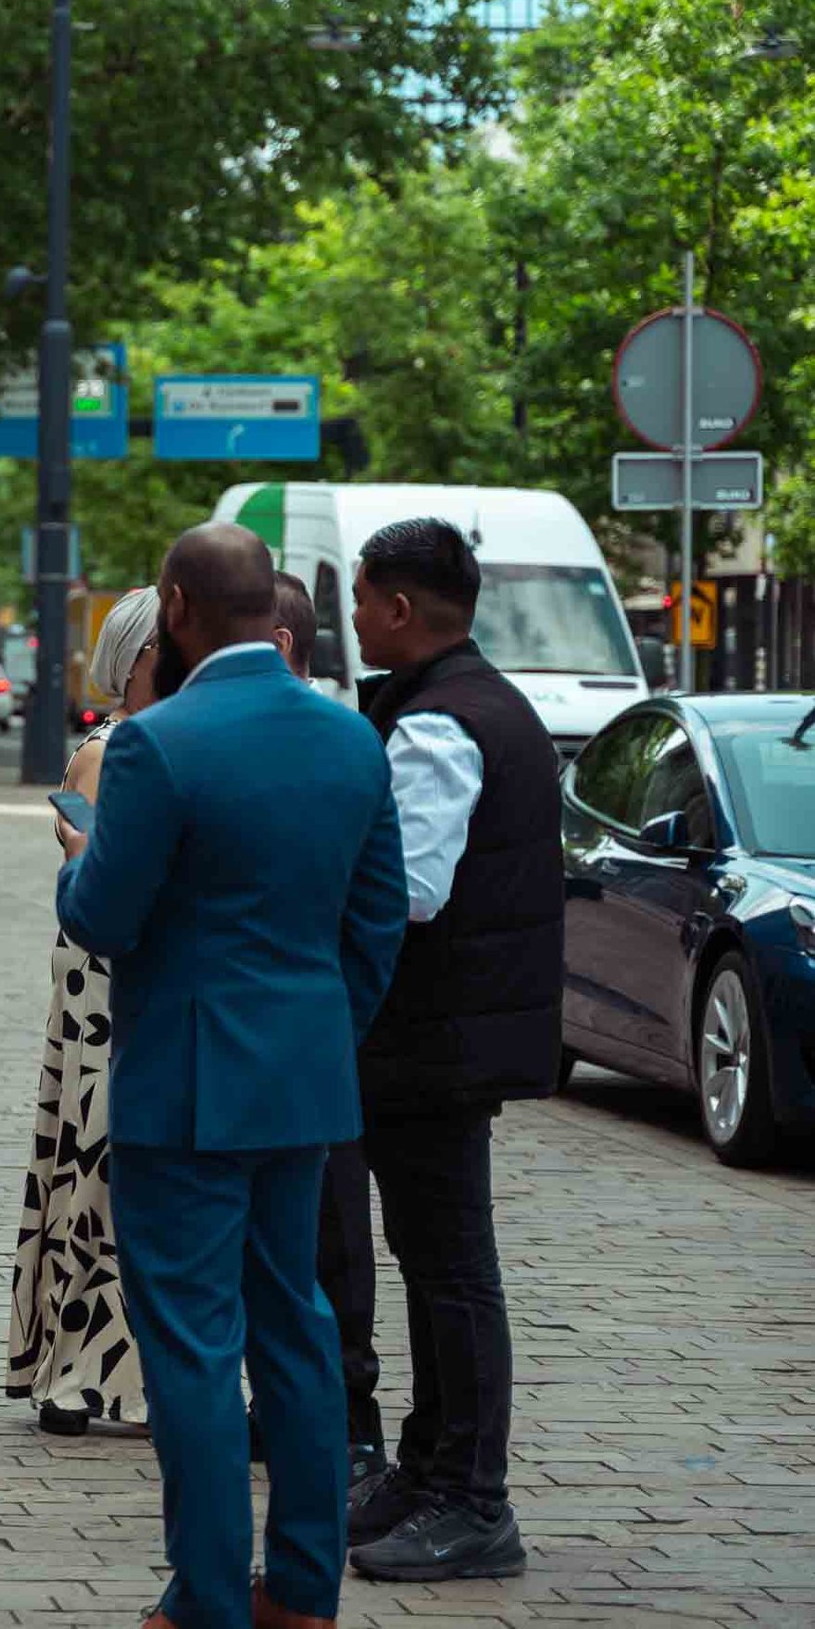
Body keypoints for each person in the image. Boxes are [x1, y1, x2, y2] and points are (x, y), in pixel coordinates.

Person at [55, 523, 408, 1629]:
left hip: (185, 1079)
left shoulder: (160, 741)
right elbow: (377, 918)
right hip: (302, 1078)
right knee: (295, 1326)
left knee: (194, 1345)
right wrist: (318, 1029)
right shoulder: (350, 739)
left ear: (173, 603)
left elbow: (104, 916)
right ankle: (303, 1590)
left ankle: (206, 1594)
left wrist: (79, 852)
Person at [342, 519, 562, 1583]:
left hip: (433, 1035)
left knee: (449, 1270)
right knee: (434, 1264)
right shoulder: (473, 701)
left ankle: (472, 1499)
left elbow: (407, 889)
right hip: (448, 1031)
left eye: (358, 597)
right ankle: (429, 1471)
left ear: (395, 608)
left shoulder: (440, 724)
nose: (350, 616)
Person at [7, 584, 161, 1438]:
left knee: (100, 1166)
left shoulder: (132, 743)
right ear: (133, 662)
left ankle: (84, 1370)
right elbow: (101, 874)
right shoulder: (117, 748)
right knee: (103, 1168)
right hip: (106, 983)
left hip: (104, 980)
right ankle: (88, 1374)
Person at [259, 570, 389, 1488]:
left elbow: (381, 909)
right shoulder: (352, 737)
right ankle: (292, 1412)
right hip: (304, 1037)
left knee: (331, 1238)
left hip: (309, 1045)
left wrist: (338, 1023)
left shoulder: (347, 745)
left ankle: (344, 1424)